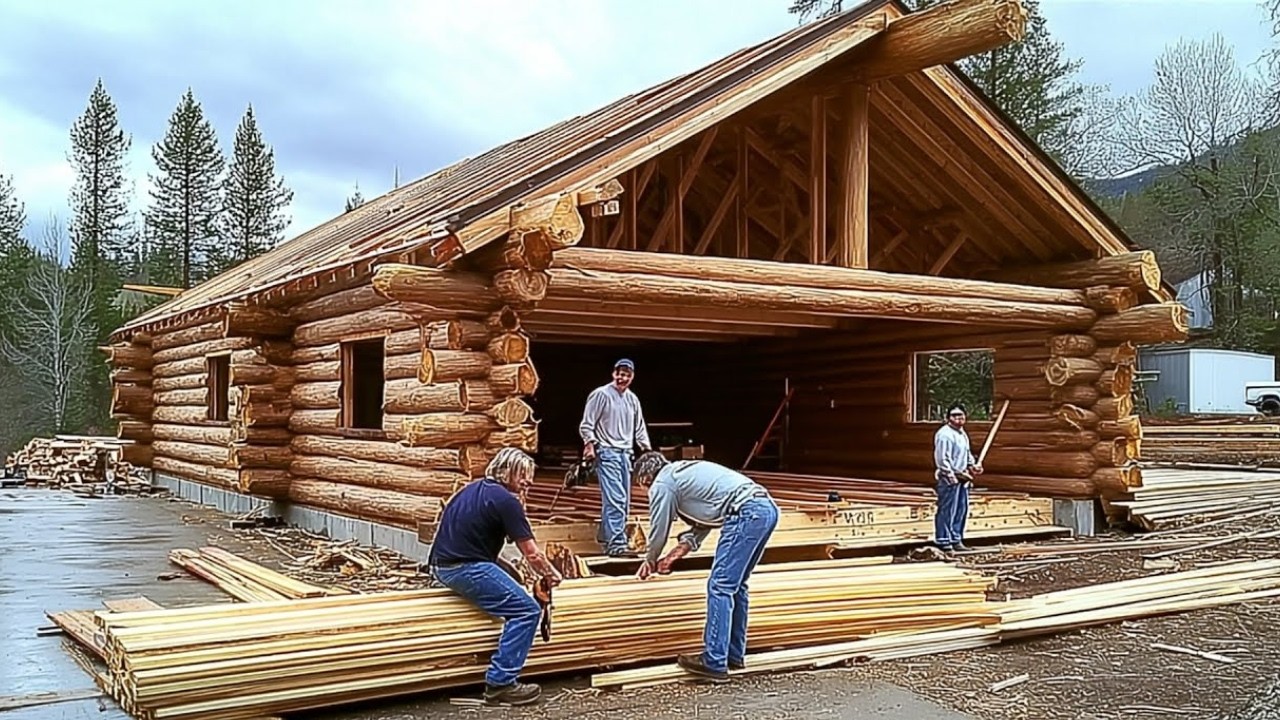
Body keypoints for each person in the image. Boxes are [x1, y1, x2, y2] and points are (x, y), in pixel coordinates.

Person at [428, 447, 563, 706]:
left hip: (443, 563)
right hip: (464, 567)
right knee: (526, 610)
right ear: (506, 471)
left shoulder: (473, 489)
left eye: (530, 475)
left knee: (512, 577)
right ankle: (501, 683)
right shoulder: (506, 501)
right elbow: (532, 554)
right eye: (523, 474)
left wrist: (512, 572)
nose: (529, 481)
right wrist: (552, 574)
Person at [632, 451, 779, 683]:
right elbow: (705, 521)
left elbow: (658, 527)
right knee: (736, 585)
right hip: (765, 509)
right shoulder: (682, 474)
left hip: (745, 513)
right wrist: (674, 554)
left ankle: (714, 661)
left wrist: (650, 559)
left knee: (720, 586)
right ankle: (733, 655)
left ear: (643, 480)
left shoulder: (662, 483)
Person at [578, 358, 652, 556]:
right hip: (607, 452)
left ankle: (604, 536)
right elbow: (587, 423)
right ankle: (616, 544)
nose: (623, 378)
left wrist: (647, 449)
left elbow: (639, 427)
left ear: (632, 377)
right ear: (613, 374)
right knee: (616, 499)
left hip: (625, 454)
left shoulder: (632, 399)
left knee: (623, 500)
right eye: (620, 374)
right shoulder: (601, 395)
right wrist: (589, 444)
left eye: (627, 375)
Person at [933, 402, 984, 553]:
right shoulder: (945, 435)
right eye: (955, 415)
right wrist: (950, 475)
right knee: (947, 510)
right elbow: (942, 458)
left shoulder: (962, 434)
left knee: (961, 509)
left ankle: (956, 538)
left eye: (961, 415)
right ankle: (944, 540)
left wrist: (973, 465)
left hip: (962, 477)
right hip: (950, 477)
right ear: (948, 418)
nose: (959, 418)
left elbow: (966, 453)